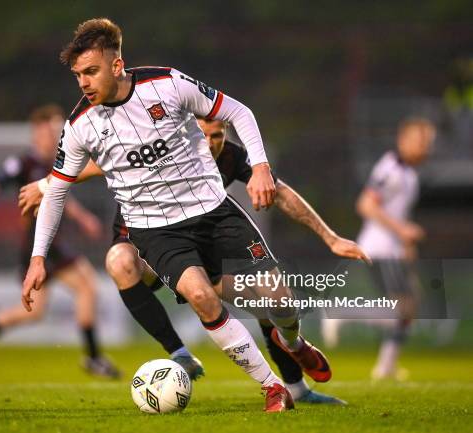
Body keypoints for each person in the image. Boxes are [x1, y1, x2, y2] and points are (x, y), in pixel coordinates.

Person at [22, 18, 369, 412]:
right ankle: (273, 387)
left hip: (213, 211)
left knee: (278, 298)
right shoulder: (79, 126)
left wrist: (259, 168)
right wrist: (37, 258)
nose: (83, 83)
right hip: (155, 232)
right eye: (78, 75)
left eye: (91, 71)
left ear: (117, 66)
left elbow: (239, 111)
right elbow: (59, 190)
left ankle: (293, 342)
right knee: (201, 296)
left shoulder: (168, 84)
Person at [19, 117, 352, 404]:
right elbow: (102, 161)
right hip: (148, 240)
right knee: (120, 261)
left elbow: (278, 191)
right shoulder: (163, 148)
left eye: (217, 136)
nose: (209, 144)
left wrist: (330, 237)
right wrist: (48, 183)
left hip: (201, 244)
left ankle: (295, 383)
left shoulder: (231, 157)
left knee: (268, 302)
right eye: (202, 135)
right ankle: (180, 353)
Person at [0, 104, 121, 379]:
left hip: (48, 242)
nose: (57, 135)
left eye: (59, 130)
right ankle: (94, 357)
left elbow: (58, 192)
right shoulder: (22, 164)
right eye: (52, 130)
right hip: (39, 244)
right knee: (87, 286)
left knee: (34, 311)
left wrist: (83, 217)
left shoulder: (53, 163)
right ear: (37, 132)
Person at [323, 117, 435, 380]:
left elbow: (398, 214)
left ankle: (386, 367)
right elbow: (365, 204)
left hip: (393, 249)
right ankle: (343, 314)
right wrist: (402, 230)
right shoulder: (390, 168)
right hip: (379, 247)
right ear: (403, 140)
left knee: (408, 308)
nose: (425, 148)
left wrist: (406, 244)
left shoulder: (409, 173)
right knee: (402, 309)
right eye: (421, 142)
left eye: (428, 143)